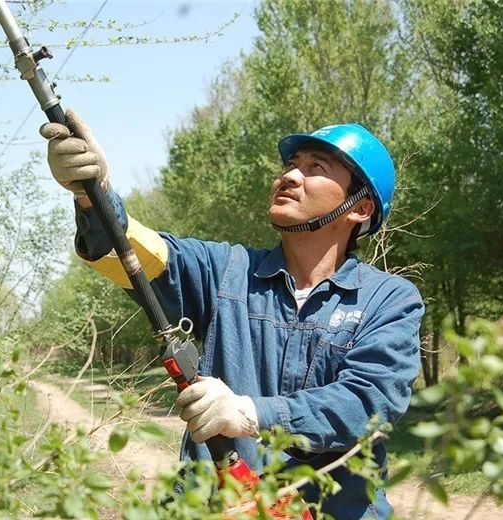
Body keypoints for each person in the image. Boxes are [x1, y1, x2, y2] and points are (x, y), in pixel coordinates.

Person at [40, 109, 424, 520]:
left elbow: (367, 402)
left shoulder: (390, 300)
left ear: (360, 208)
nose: (290, 176)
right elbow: (137, 253)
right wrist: (93, 193)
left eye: (316, 168)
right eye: (290, 165)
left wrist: (251, 414)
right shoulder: (227, 271)